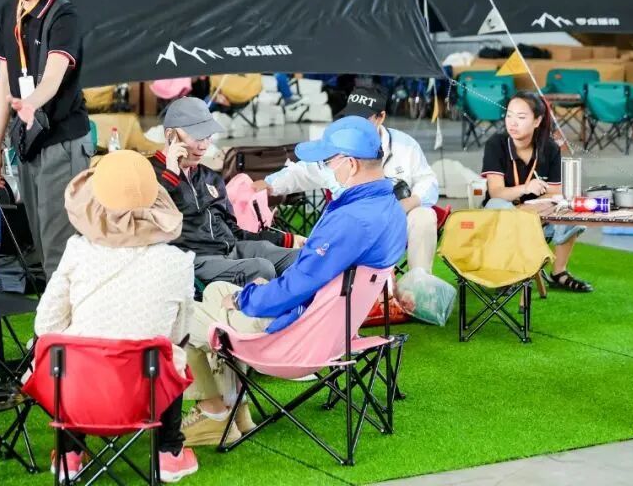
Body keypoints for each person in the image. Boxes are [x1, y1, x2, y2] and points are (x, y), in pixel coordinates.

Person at [180, 116, 407, 446]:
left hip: (296, 338)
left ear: (350, 164)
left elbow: (297, 286)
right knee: (216, 291)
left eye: (327, 162)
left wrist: (247, 299)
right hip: (335, 329)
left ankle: (214, 411)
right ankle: (235, 409)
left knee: (184, 319)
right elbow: (307, 279)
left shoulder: (351, 220)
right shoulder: (390, 208)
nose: (325, 169)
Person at [34, 150, 198, 483]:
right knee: (173, 353)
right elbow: (179, 333)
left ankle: (69, 452)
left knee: (62, 348)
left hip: (81, 393)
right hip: (145, 395)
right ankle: (169, 452)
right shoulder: (177, 261)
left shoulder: (77, 251)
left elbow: (45, 325)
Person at [0, 0, 92, 279]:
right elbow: (4, 81)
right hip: (28, 141)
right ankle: (56, 314)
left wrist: (30, 102)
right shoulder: (7, 12)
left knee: (61, 249)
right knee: (42, 245)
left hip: (62, 141)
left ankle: (67, 318)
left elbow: (54, 77)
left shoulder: (63, 16)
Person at [257, 85, 440, 271]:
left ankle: (418, 280)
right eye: (350, 117)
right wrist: (269, 184)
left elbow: (428, 181)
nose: (354, 123)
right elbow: (304, 171)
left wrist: (409, 203)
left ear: (381, 117)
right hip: (353, 226)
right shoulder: (338, 142)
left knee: (424, 216)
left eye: (363, 118)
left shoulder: (405, 146)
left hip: (398, 220)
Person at [151, 97, 306, 287]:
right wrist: (171, 175)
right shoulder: (148, 174)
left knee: (301, 258)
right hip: (191, 260)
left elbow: (234, 232)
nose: (204, 146)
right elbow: (149, 221)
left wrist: (287, 239)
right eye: (197, 137)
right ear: (170, 135)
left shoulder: (210, 177)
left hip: (230, 250)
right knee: (261, 268)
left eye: (208, 136)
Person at [481, 91, 592, 292]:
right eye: (509, 115)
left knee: (570, 206)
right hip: (502, 218)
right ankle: (508, 272)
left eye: (521, 117)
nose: (513, 122)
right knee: (499, 205)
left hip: (537, 217)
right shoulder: (496, 144)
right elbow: (496, 192)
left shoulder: (550, 148)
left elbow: (556, 192)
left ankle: (559, 272)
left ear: (537, 121)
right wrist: (526, 188)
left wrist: (532, 208)